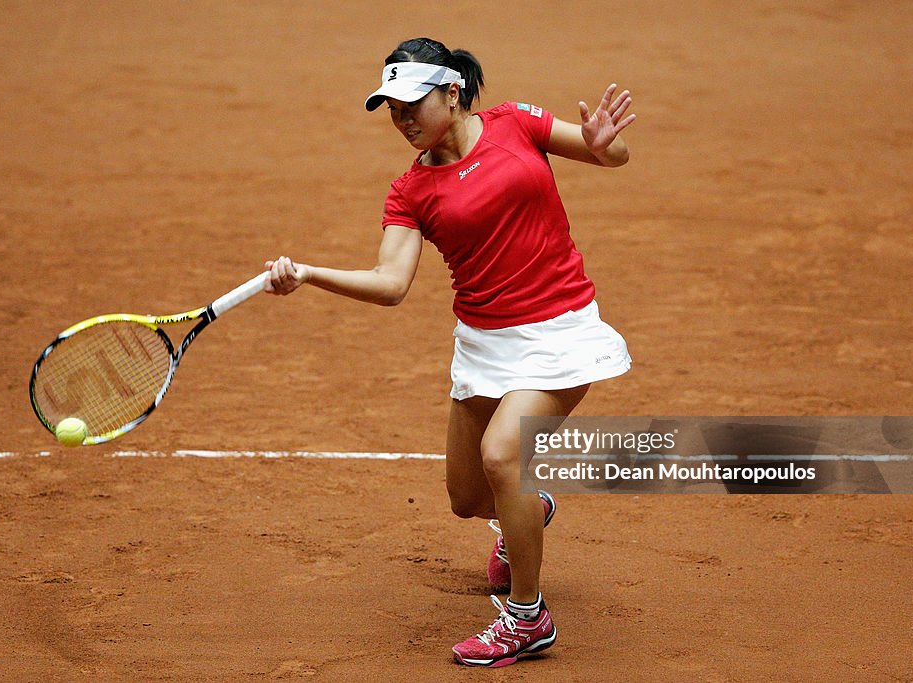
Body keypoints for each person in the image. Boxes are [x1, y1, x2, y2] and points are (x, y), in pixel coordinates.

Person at [264, 37, 635, 668]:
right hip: (484, 344)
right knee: (468, 498)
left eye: (413, 104)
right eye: (392, 109)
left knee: (503, 453)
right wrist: (310, 273)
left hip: (559, 330)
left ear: (452, 92)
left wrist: (603, 146)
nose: (403, 120)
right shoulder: (409, 192)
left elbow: (613, 154)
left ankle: (527, 617)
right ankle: (527, 510)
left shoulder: (516, 123)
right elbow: (390, 284)